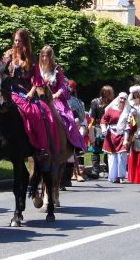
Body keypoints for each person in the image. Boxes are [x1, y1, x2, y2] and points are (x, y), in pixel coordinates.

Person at [1, 29, 59, 162]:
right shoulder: (9, 54)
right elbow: (1, 72)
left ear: (25, 41)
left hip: (25, 91)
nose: (16, 43)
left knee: (38, 112)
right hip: (9, 90)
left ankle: (40, 146)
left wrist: (31, 92)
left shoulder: (31, 57)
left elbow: (38, 79)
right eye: (15, 40)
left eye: (19, 41)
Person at [37, 45, 85, 185]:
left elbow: (63, 86)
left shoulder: (57, 70)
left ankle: (72, 144)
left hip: (55, 101)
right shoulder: (37, 69)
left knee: (67, 119)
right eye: (43, 55)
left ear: (51, 57)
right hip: (38, 100)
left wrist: (57, 94)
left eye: (47, 55)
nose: (45, 58)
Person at [99, 92, 130, 184]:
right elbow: (104, 119)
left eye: (124, 99)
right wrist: (104, 128)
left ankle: (121, 176)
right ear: (118, 98)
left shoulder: (128, 110)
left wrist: (126, 138)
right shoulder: (111, 109)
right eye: (121, 98)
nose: (122, 100)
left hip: (123, 134)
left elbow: (130, 123)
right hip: (111, 134)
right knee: (112, 156)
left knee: (122, 156)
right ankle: (113, 176)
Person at [88, 85, 114, 179]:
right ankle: (95, 170)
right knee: (95, 150)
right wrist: (91, 130)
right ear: (105, 93)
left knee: (108, 150)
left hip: (110, 128)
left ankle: (108, 169)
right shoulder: (95, 102)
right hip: (98, 127)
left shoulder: (114, 103)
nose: (112, 94)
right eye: (110, 92)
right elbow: (91, 117)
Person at [67, 79, 87, 182]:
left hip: (70, 127)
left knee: (71, 151)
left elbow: (82, 117)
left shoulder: (75, 101)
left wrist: (75, 120)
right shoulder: (53, 98)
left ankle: (77, 173)